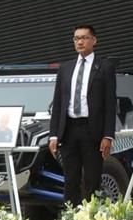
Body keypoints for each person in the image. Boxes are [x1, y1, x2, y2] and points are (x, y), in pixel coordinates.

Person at [48, 25, 117, 207]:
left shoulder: (104, 67)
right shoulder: (65, 68)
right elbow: (58, 103)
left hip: (92, 129)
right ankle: (71, 217)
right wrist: (53, 134)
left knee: (92, 179)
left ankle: (91, 218)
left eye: (84, 38)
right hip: (69, 129)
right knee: (70, 178)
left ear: (94, 40)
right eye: (76, 38)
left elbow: (110, 103)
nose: (80, 42)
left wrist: (108, 135)